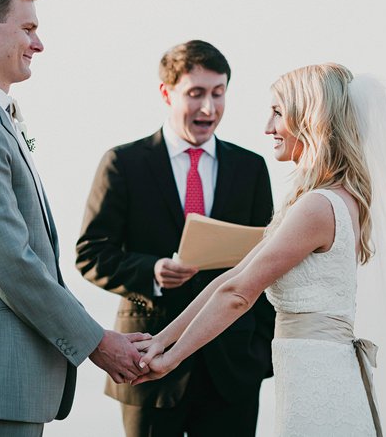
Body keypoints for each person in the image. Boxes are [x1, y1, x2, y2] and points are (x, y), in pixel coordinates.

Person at [0, 0, 148, 437]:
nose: (38, 43)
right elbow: (11, 259)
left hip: (8, 380)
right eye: (27, 29)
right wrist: (95, 342)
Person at [133, 63, 383, 436]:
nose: (268, 126)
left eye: (278, 112)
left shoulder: (318, 206)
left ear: (309, 118)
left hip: (317, 378)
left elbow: (238, 294)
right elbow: (232, 278)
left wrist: (171, 360)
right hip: (315, 370)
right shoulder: (340, 198)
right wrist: (160, 339)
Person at [76, 40, 275, 436]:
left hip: (233, 367)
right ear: (167, 93)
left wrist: (260, 350)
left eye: (218, 94)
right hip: (149, 363)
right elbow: (90, 254)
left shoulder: (251, 167)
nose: (209, 108)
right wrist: (152, 270)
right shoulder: (124, 164)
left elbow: (268, 262)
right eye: (196, 93)